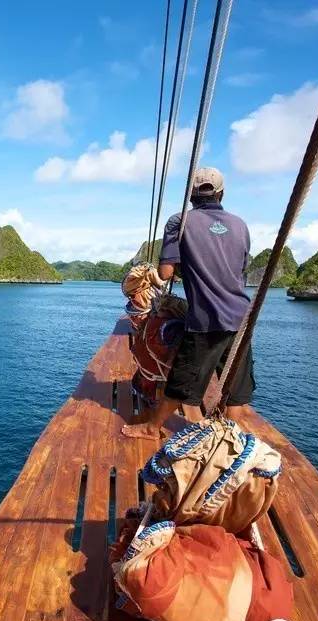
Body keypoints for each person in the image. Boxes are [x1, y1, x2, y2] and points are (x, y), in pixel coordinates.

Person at [122, 167, 255, 438]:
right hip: (242, 317)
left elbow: (166, 273)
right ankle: (231, 439)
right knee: (236, 389)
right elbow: (237, 269)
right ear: (221, 193)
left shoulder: (178, 221)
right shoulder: (241, 225)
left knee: (181, 381)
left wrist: (188, 267)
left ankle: (151, 427)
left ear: (191, 195)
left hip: (206, 317)